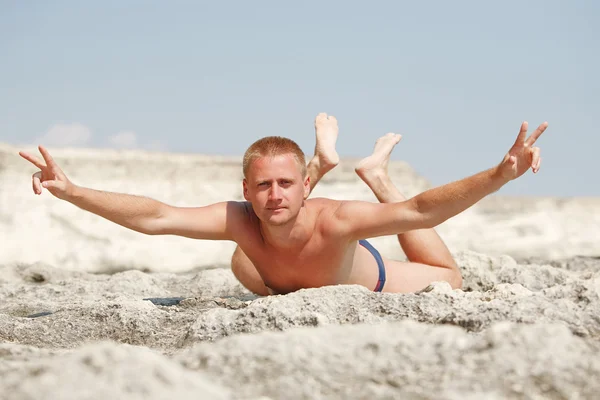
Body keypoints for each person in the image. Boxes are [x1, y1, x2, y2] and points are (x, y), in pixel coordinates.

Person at [19, 113, 547, 296]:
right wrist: (74, 191)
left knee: (448, 278)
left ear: (306, 188)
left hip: (369, 277)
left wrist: (499, 174)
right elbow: (157, 217)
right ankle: (340, 163)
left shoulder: (337, 220)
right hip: (275, 271)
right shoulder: (238, 219)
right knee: (240, 257)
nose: (274, 195)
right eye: (264, 185)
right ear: (246, 189)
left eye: (287, 184)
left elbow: (420, 211)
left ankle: (377, 176)